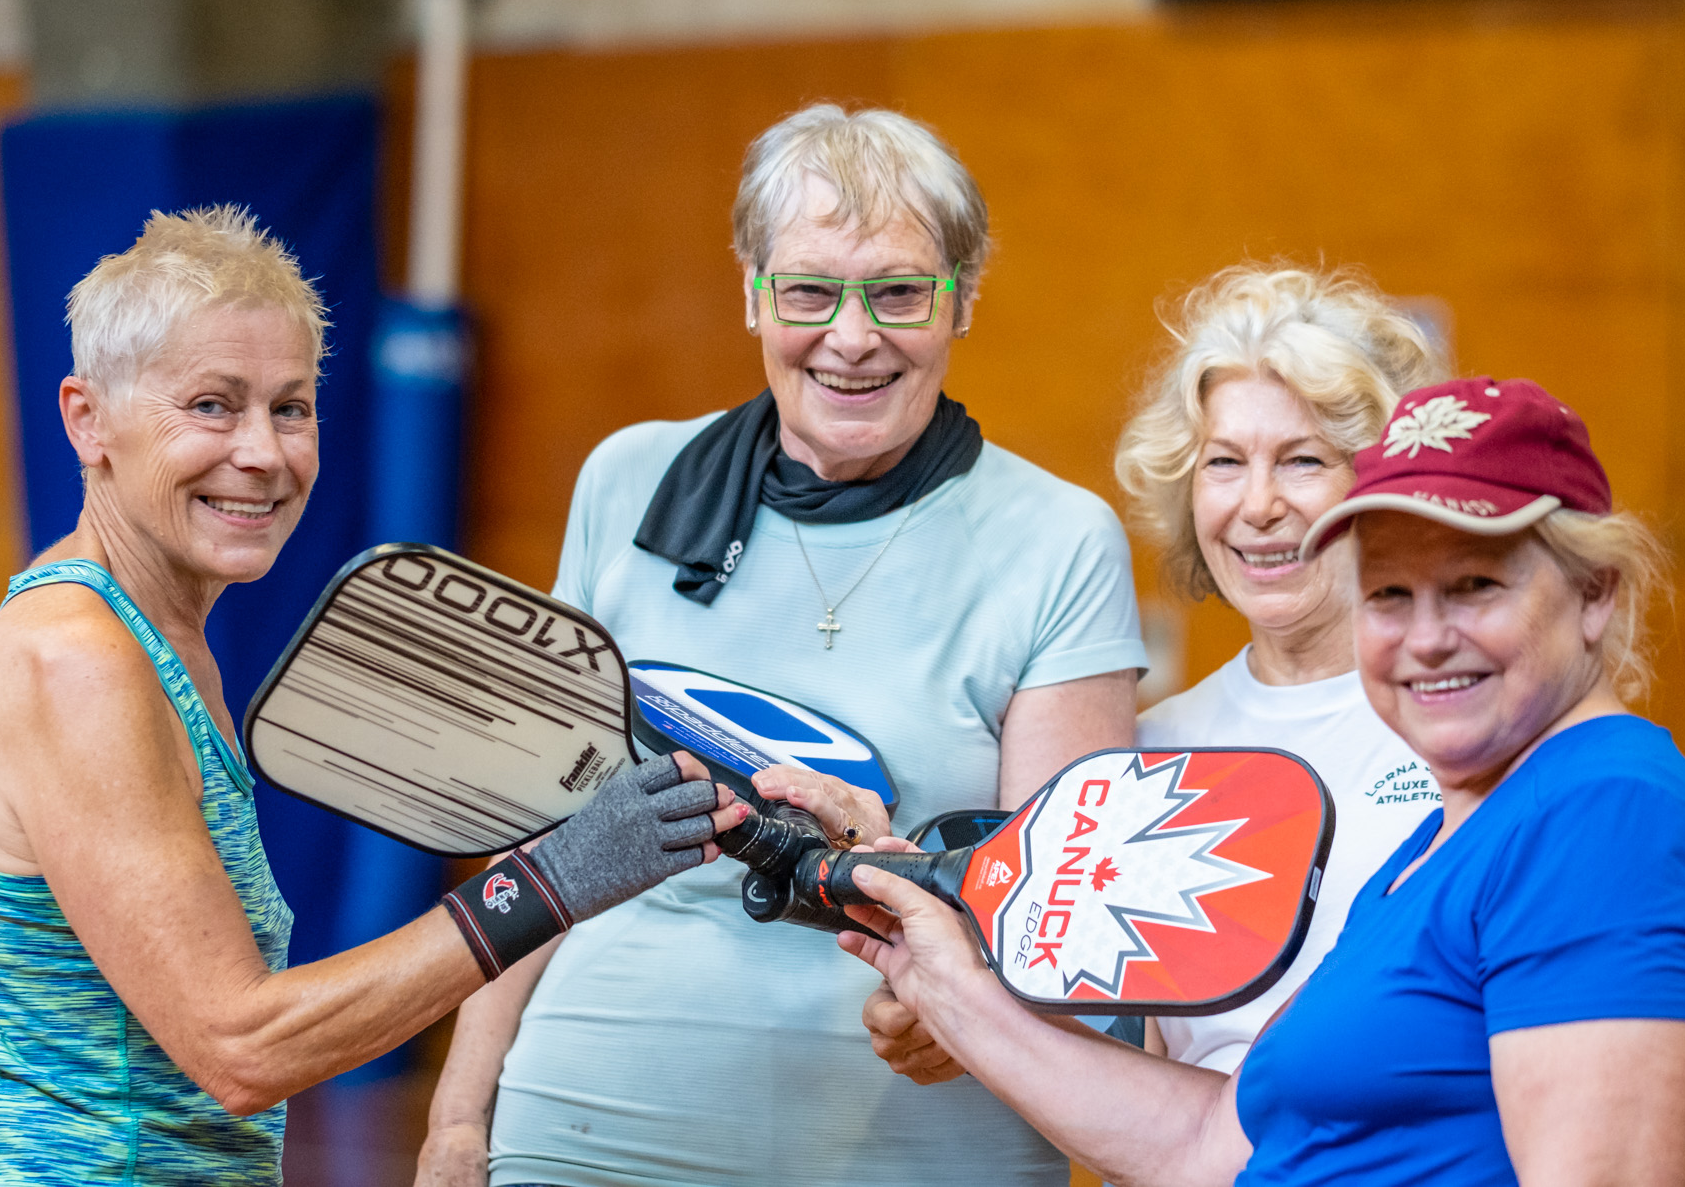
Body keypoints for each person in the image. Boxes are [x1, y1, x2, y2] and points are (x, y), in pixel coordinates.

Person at [0, 206, 741, 1185]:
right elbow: (240, 1045)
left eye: (291, 406)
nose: (265, 452)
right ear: (86, 418)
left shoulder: (164, 639)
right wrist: (552, 882)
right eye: (212, 405)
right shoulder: (77, 661)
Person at [416, 104, 1147, 1187]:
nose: (852, 337)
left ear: (963, 299)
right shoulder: (625, 481)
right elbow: (543, 842)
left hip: (913, 1130)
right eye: (809, 289)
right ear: (753, 290)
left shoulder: (1055, 539)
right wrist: (457, 1115)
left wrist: (958, 1018)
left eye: (899, 290)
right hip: (590, 1113)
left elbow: (1057, 912)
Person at [838, 375, 1685, 1187]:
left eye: (1477, 585)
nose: (1426, 636)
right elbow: (1210, 1142)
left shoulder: (1606, 817)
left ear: (1596, 592)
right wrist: (949, 982)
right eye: (1389, 594)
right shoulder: (1445, 840)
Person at [863, 263, 1448, 1090]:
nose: (1258, 504)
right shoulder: (1153, 751)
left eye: (1304, 460)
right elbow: (1131, 1060)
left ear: (1381, 483)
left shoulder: (1465, 729)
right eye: (1223, 463)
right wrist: (953, 1014)